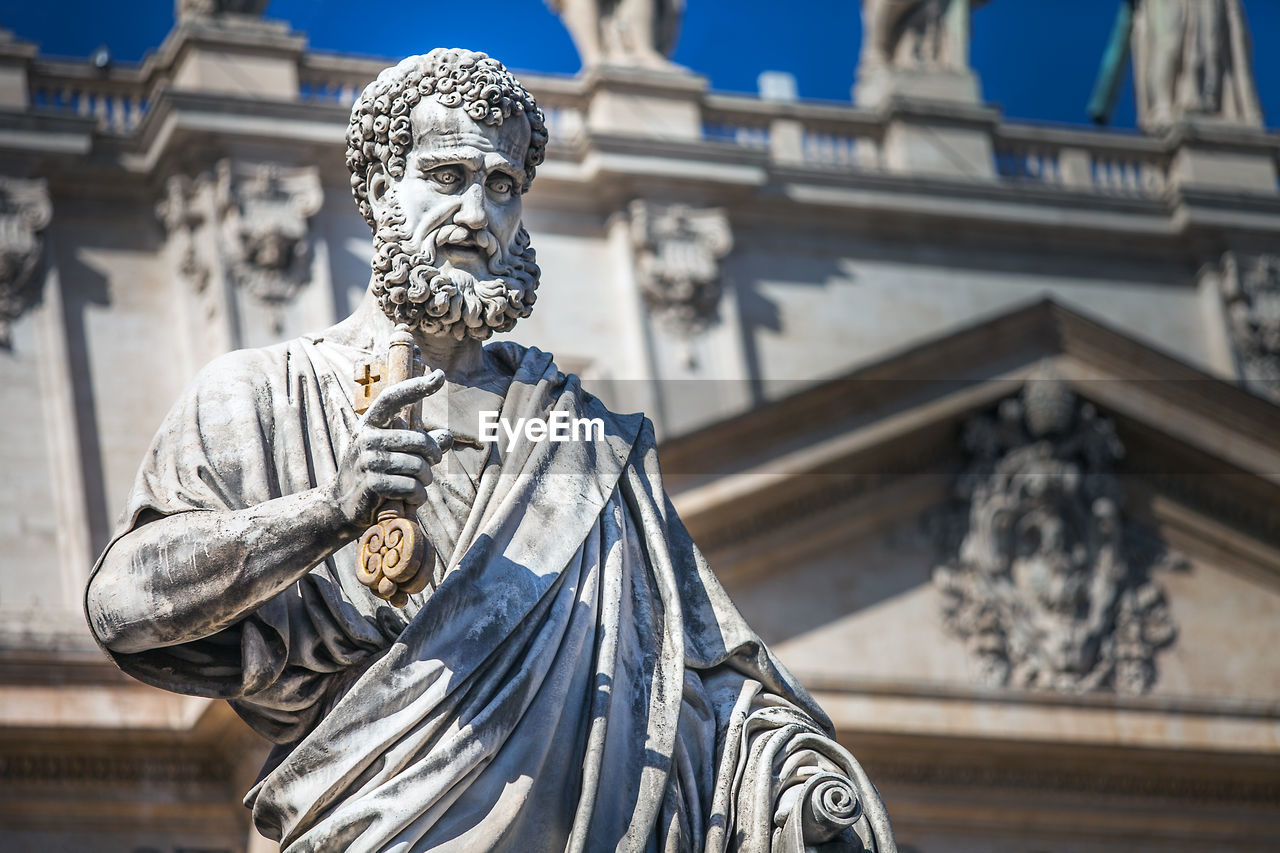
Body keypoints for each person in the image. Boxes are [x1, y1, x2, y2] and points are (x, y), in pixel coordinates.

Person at [85, 48, 895, 853]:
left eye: (502, 187)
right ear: (377, 193)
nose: (477, 212)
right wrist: (327, 512)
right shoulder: (264, 392)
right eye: (447, 177)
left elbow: (706, 681)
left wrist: (789, 784)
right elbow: (121, 606)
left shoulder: (584, 439)